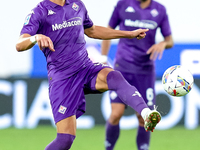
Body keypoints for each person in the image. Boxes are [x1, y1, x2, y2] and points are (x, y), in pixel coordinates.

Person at [16, 0, 161, 149]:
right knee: (65, 139)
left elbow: (92, 31)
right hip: (63, 79)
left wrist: (129, 34)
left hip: (85, 68)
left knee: (114, 77)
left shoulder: (77, 5)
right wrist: (34, 38)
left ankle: (146, 113)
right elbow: (19, 44)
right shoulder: (40, 11)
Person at [100, 0, 173, 150]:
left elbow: (170, 40)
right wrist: (103, 58)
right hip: (122, 67)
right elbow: (107, 30)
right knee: (116, 114)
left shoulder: (160, 10)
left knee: (143, 118)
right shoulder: (123, 4)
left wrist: (163, 44)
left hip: (145, 70)